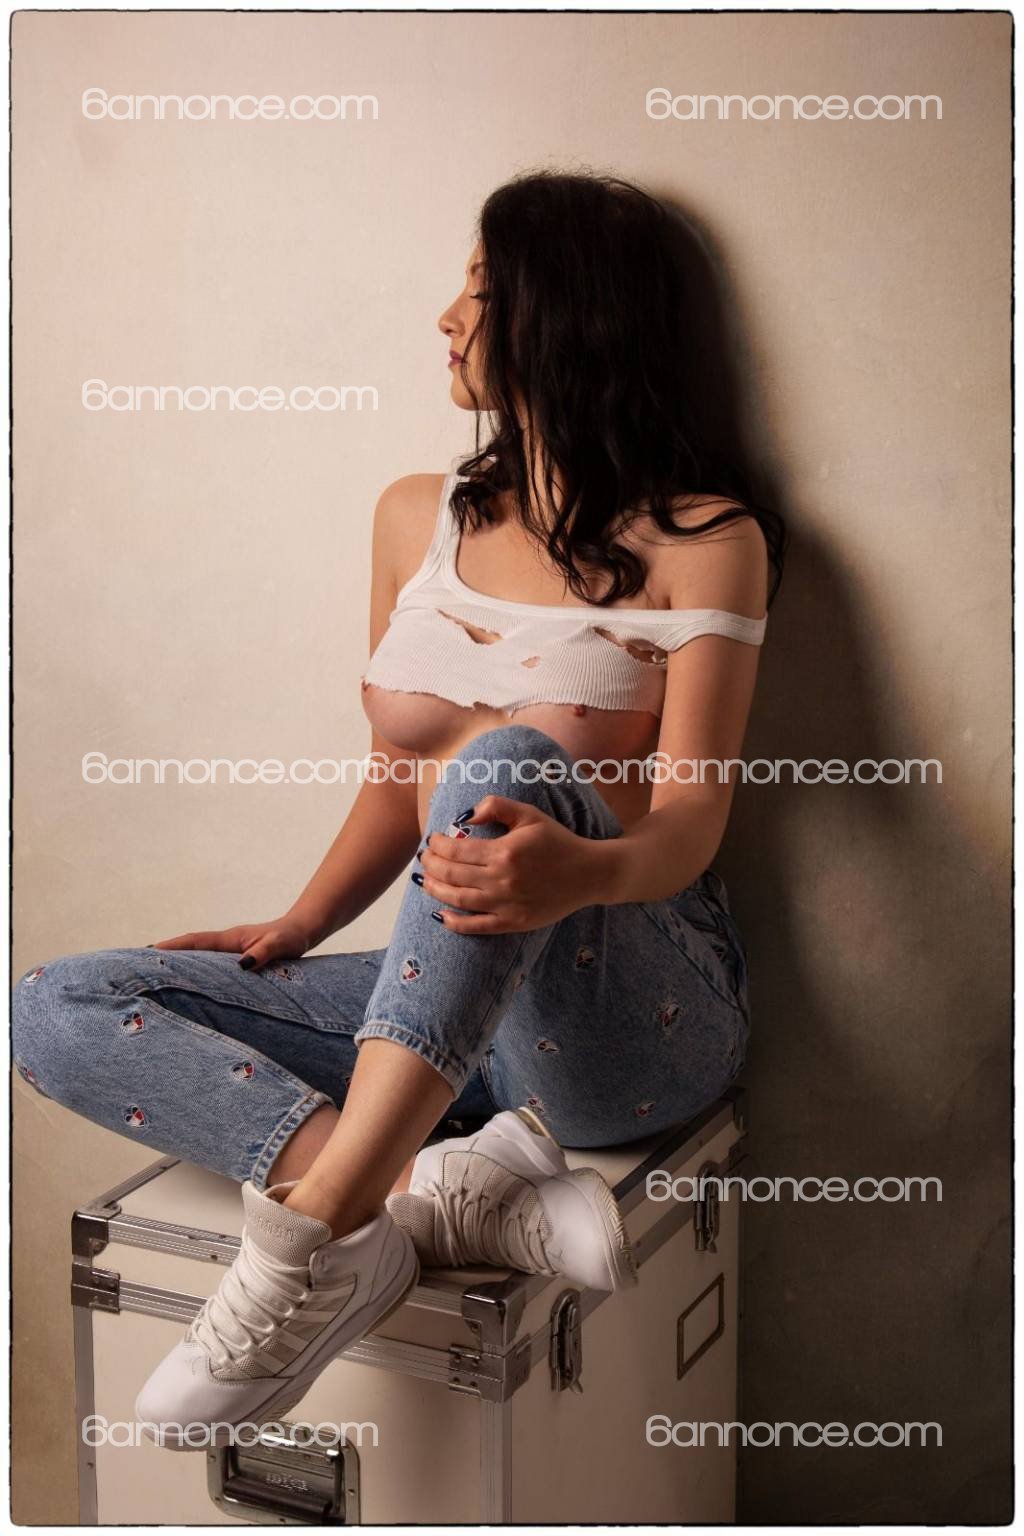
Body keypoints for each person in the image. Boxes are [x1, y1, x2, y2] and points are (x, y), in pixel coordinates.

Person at [13, 170, 785, 1448]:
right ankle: (427, 1198)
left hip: (629, 1018)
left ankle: (308, 1241)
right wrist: (298, 927)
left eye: (480, 287)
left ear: (568, 311)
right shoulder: (413, 518)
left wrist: (580, 874)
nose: (447, 316)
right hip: (456, 1011)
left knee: (504, 762)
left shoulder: (706, 541)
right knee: (55, 1004)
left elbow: (693, 818)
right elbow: (391, 780)